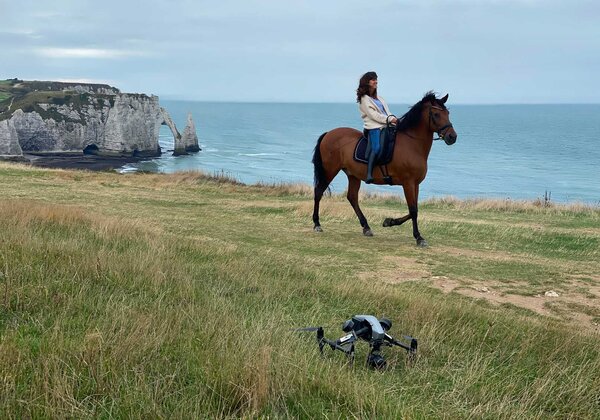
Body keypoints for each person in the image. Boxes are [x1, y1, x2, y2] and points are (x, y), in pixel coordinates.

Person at [356, 71, 397, 183]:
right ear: (367, 82)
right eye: (373, 79)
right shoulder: (364, 99)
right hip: (374, 127)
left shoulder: (380, 98)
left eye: (376, 79)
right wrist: (390, 120)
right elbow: (373, 115)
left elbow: (387, 112)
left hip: (386, 124)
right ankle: (368, 174)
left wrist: (394, 119)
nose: (376, 81)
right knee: (377, 148)